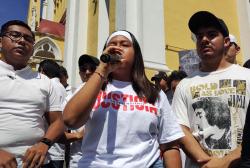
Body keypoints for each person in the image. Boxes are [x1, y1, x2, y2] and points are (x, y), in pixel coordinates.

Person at [63, 30, 184, 168]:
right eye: (112, 44)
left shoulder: (153, 92)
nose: (117, 48)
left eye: (124, 44)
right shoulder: (91, 87)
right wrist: (102, 69)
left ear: (136, 54)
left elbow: (170, 144)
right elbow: (70, 120)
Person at [172, 11, 250, 168]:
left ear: (227, 41)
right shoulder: (185, 84)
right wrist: (206, 162)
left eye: (212, 34)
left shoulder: (247, 76)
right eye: (199, 36)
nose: (204, 40)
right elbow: (180, 128)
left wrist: (225, 161)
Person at [0, 20, 64, 168]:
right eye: (15, 35)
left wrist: (44, 144)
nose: (22, 41)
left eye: (28, 39)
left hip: (37, 164)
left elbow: (57, 122)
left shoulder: (44, 82)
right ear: (1, 41)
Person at [38, 59, 67, 168]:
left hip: (50, 147)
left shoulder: (50, 85)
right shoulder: (61, 87)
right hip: (57, 147)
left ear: (42, 71)